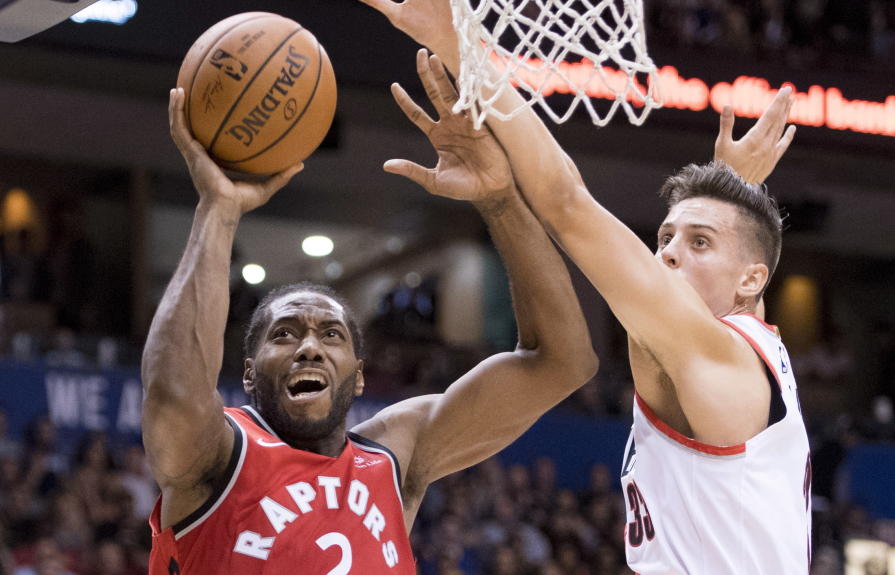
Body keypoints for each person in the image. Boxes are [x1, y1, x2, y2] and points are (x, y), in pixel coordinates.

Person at [359, 2, 810, 572]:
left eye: (698, 243)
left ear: (751, 279)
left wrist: (464, 51)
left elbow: (566, 202)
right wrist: (731, 186)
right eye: (666, 236)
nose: (667, 250)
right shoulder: (752, 344)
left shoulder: (715, 354)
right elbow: (741, 266)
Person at [141, 55, 599, 573]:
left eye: (331, 334)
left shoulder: (396, 457)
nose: (309, 346)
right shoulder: (217, 459)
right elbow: (175, 394)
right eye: (284, 334)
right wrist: (218, 211)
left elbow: (562, 363)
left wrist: (501, 201)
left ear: (359, 377)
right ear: (248, 373)